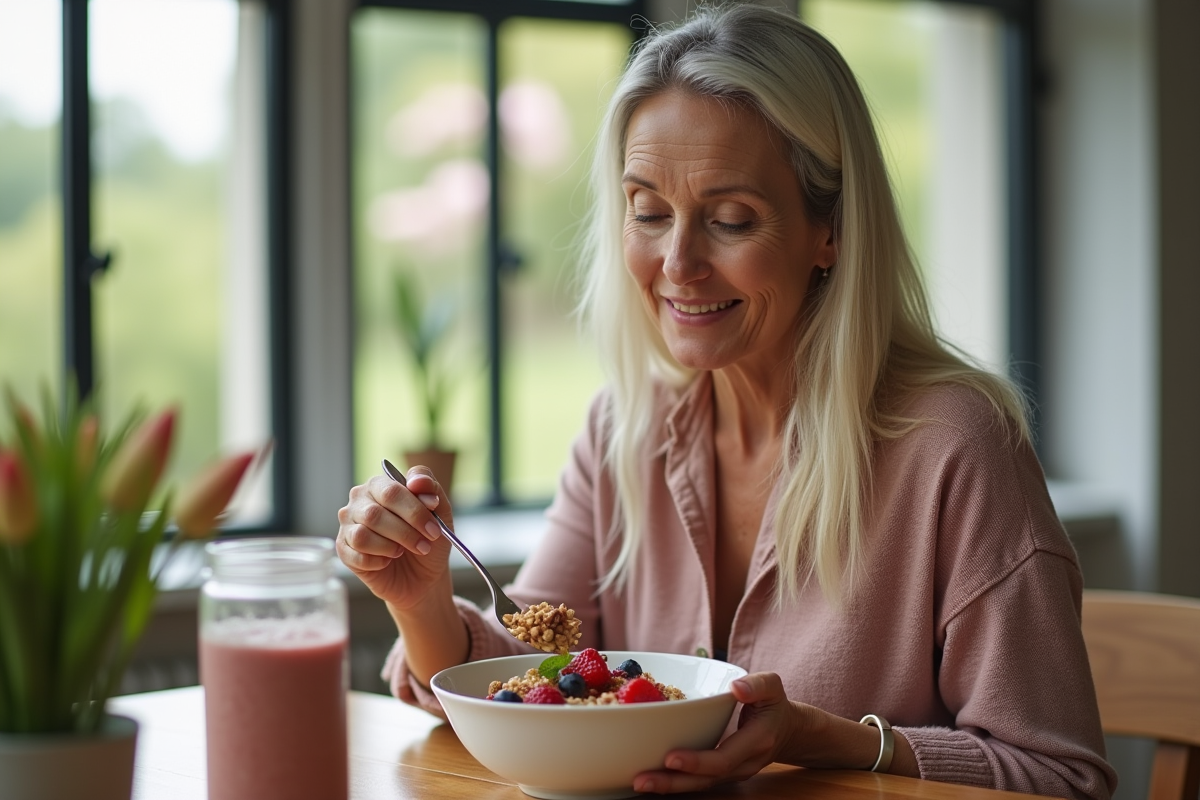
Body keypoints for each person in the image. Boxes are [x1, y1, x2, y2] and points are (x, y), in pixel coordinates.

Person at [336, 5, 1116, 799]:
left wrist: (827, 739)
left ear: (831, 231)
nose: (678, 262)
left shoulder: (955, 446)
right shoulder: (623, 429)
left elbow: (1060, 778)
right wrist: (423, 596)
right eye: (648, 212)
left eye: (731, 219)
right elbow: (535, 676)